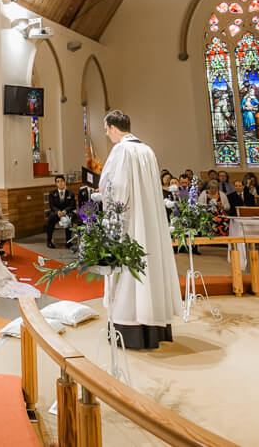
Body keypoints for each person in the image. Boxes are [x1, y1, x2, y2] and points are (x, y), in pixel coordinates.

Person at [97, 110, 182, 350]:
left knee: (127, 271)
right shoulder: (147, 150)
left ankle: (129, 327)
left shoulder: (122, 150)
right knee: (149, 268)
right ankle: (154, 326)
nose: (107, 135)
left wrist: (112, 219)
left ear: (113, 128)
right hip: (149, 222)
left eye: (106, 130)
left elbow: (113, 186)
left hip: (130, 223)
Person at [45, 175, 76, 249]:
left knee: (70, 217)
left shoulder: (70, 194)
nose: (60, 183)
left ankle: (68, 241)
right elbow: (52, 206)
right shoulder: (52, 194)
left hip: (66, 212)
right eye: (58, 181)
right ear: (56, 184)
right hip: (56, 213)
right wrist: (58, 211)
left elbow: (72, 206)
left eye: (61, 181)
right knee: (51, 217)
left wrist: (64, 211)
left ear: (64, 182)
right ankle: (49, 241)